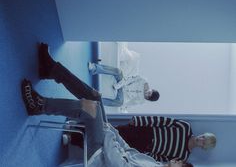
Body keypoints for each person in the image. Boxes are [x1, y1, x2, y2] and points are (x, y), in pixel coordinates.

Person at [21, 43, 193, 167]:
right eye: (180, 161)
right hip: (106, 145)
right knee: (94, 96)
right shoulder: (154, 163)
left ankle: (40, 105)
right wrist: (111, 130)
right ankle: (51, 70)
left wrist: (107, 134)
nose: (178, 160)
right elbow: (127, 149)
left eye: (181, 164)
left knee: (92, 109)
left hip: (100, 157)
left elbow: (117, 163)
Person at [116, 116, 217, 162]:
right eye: (203, 137)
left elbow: (161, 158)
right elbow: (162, 121)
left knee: (116, 147)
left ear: (203, 147)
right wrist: (139, 121)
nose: (201, 139)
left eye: (204, 142)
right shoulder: (185, 127)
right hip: (144, 131)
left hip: (144, 147)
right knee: (115, 131)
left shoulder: (183, 156)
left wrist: (145, 153)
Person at [88, 61, 160, 107]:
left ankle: (96, 100)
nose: (147, 94)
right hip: (122, 83)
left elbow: (131, 103)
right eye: (149, 93)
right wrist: (118, 85)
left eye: (148, 97)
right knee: (118, 71)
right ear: (151, 89)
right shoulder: (143, 81)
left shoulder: (142, 101)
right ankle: (94, 68)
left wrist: (123, 105)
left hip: (122, 94)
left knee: (119, 103)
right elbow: (129, 79)